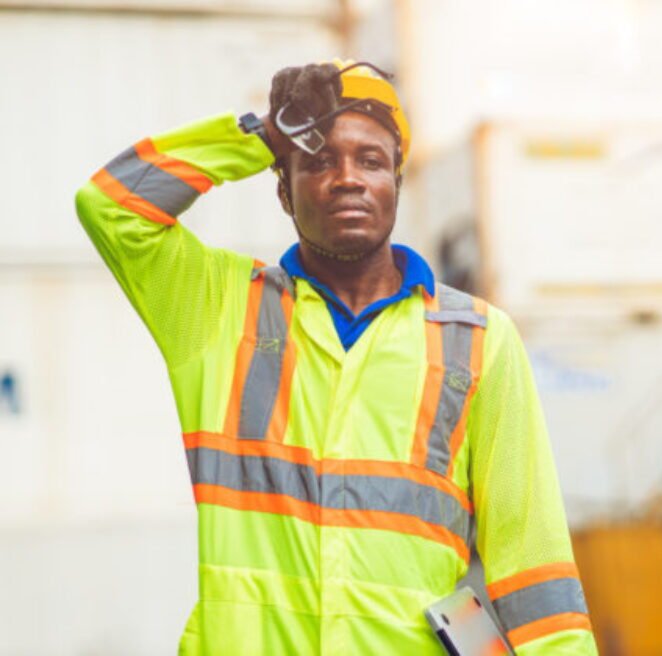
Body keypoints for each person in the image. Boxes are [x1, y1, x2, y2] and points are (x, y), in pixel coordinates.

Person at [75, 60, 598, 655]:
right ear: (282, 189)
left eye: (371, 161)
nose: (348, 177)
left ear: (396, 184)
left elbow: (533, 563)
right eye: (320, 161)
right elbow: (109, 207)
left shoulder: (478, 339)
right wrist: (261, 135)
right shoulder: (219, 310)